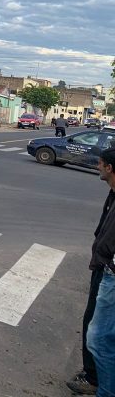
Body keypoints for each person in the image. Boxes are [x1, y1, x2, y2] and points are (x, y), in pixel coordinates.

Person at [82, 147, 115, 396]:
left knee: (99, 337)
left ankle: (100, 385)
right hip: (103, 267)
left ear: (110, 168)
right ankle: (94, 378)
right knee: (95, 329)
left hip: (110, 273)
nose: (97, 166)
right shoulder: (112, 194)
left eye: (100, 163)